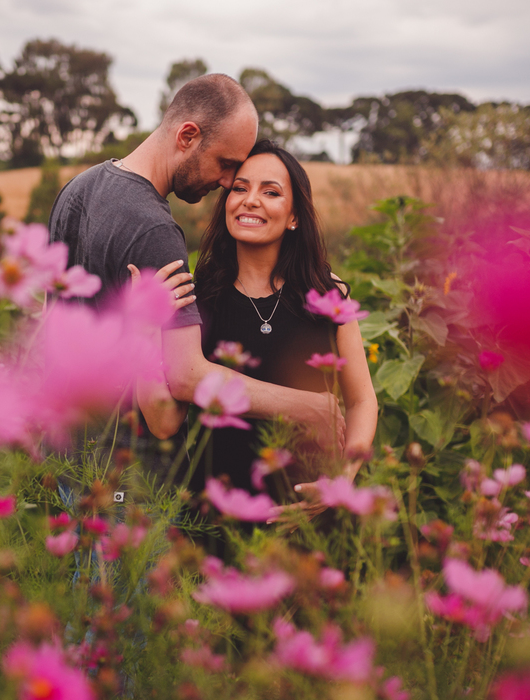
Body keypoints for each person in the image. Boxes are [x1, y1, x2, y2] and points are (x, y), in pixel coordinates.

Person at [47, 74, 340, 492]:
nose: (225, 183)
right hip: (129, 484)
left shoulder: (77, 189)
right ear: (187, 135)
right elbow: (182, 385)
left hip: (70, 466)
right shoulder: (153, 231)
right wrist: (309, 406)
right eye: (225, 164)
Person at [137, 139, 377, 503]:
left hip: (309, 518)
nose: (250, 200)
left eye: (271, 192)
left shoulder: (328, 297)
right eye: (240, 188)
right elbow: (163, 421)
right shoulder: (197, 302)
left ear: (294, 216)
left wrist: (342, 481)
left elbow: (361, 401)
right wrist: (142, 327)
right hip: (218, 521)